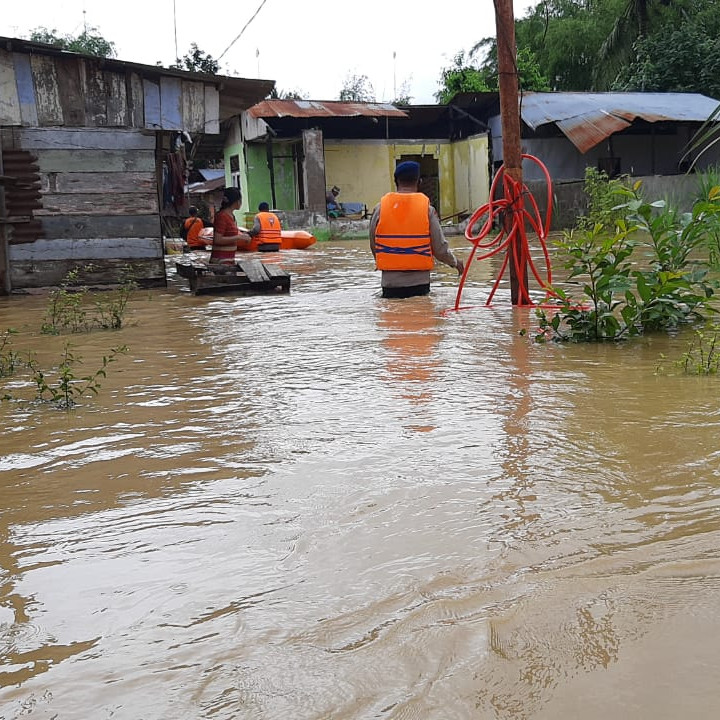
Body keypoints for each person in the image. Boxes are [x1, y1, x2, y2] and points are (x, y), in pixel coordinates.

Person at [369, 161, 464, 298]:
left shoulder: (380, 209)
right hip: (420, 284)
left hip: (390, 284)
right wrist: (455, 262)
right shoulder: (427, 210)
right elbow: (439, 248)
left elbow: (374, 245)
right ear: (419, 182)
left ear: (396, 181)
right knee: (421, 316)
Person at [210, 187, 251, 264]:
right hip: (220, 261)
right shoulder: (222, 216)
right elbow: (217, 240)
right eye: (240, 200)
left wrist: (243, 236)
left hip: (229, 260)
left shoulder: (231, 216)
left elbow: (231, 235)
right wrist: (238, 237)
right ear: (236, 201)